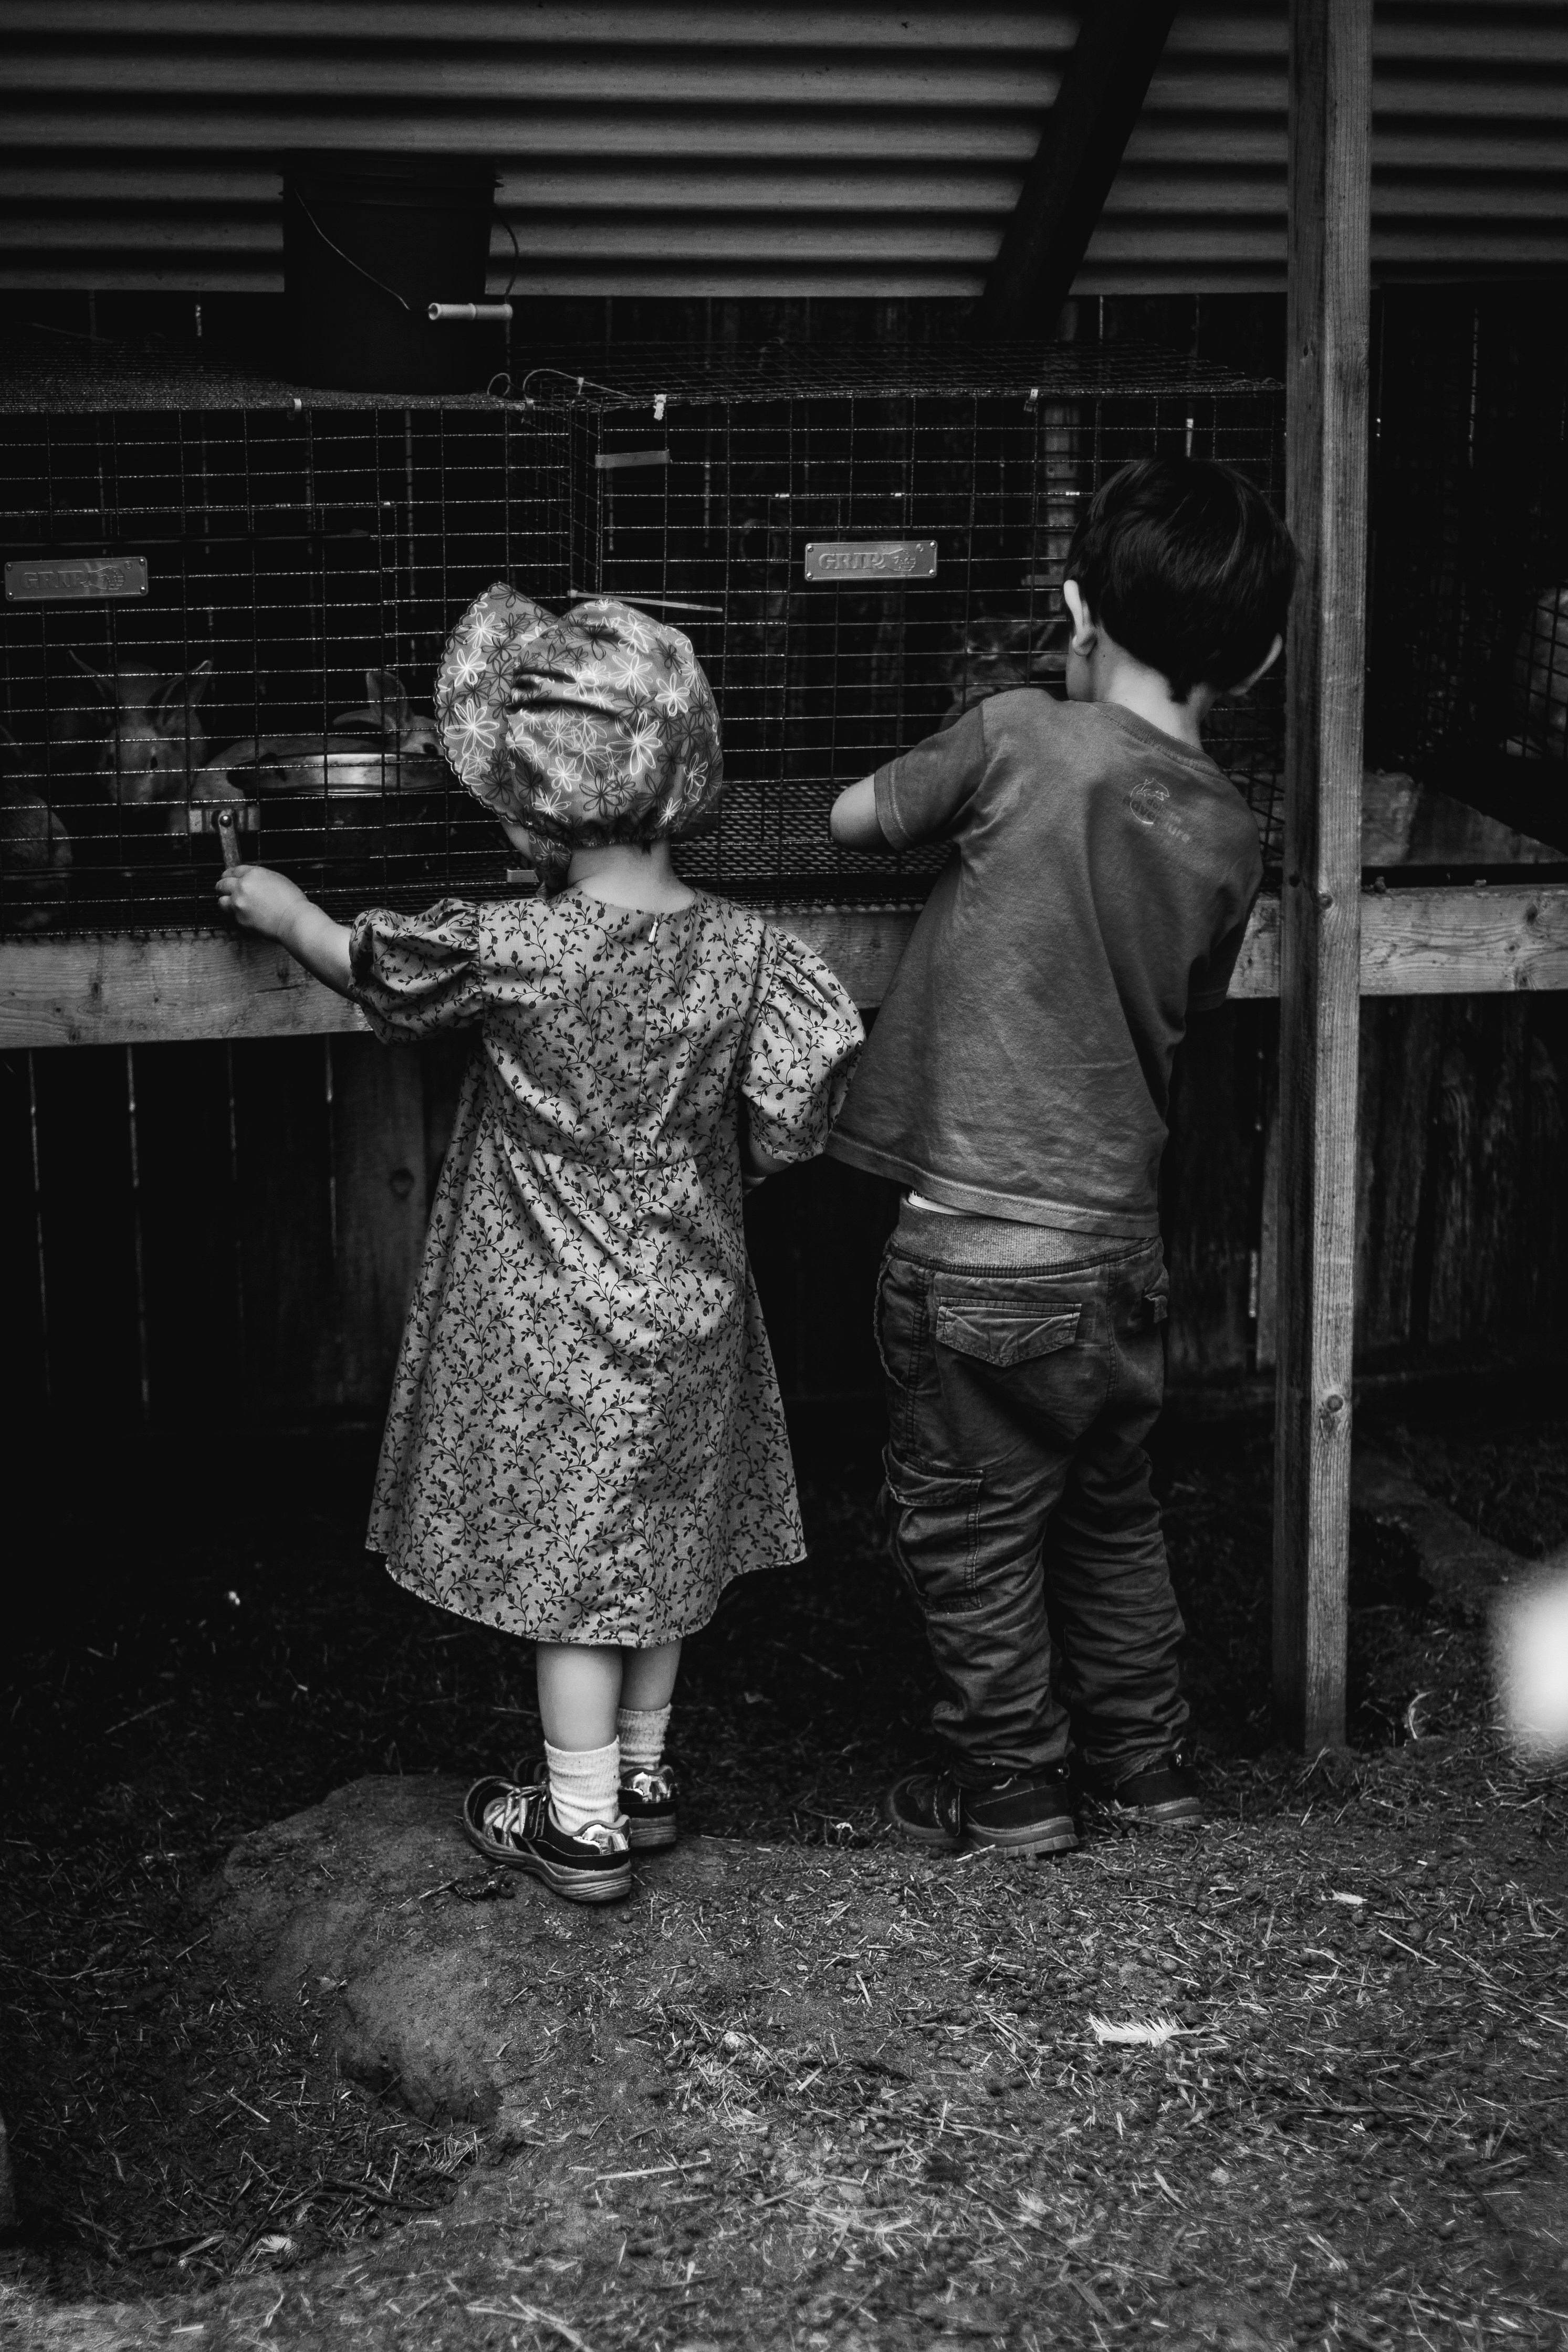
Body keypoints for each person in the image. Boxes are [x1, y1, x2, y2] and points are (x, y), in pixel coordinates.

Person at [218, 586, 862, 1905]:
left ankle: (574, 1825)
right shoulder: (747, 951)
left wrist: (283, 907)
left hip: (551, 1313)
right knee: (662, 1552)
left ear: (537, 790)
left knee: (578, 1577)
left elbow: (368, 963)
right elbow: (796, 1114)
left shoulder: (517, 946)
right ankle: (640, 1775)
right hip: (691, 1298)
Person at [824, 455, 1294, 1858]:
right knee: (1108, 1514)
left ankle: (1013, 1788)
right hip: (1115, 1256)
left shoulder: (1018, 733)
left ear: (1073, 602)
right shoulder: (1228, 830)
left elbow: (856, 818)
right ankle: (1146, 1772)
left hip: (974, 1248)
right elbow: (1189, 1003)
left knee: (970, 1535)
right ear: (1262, 657)